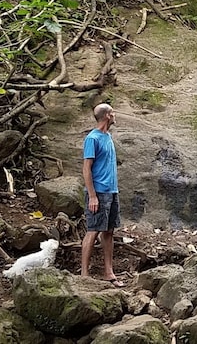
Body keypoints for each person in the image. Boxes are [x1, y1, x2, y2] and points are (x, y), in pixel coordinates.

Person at [81, 102, 123, 286]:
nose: (115, 115)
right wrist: (92, 196)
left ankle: (109, 272)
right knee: (93, 229)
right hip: (98, 192)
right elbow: (86, 169)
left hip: (112, 191)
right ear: (107, 116)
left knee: (109, 231)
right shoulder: (93, 139)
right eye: (112, 112)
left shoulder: (108, 137)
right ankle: (84, 274)